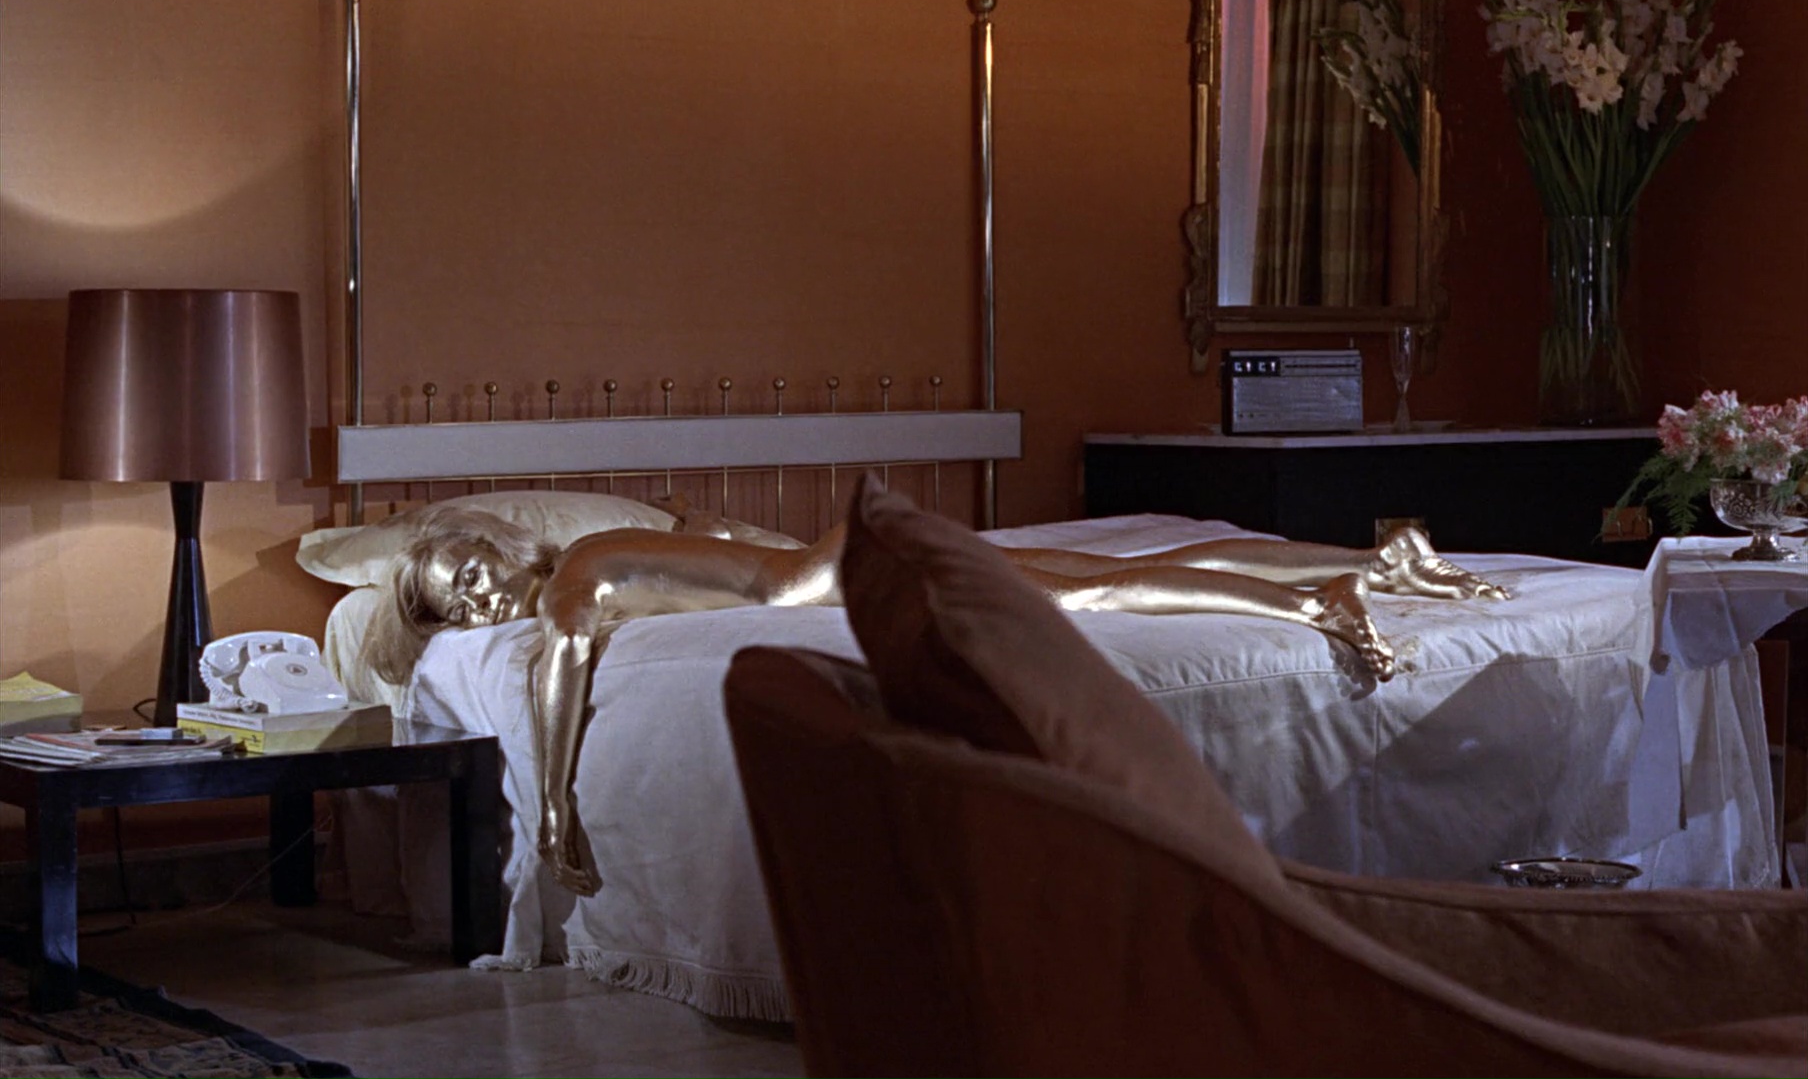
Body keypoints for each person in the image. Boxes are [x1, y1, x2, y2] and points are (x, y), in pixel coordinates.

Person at [367, 488, 1509, 895]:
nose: (477, 599)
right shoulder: (618, 545)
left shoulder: (575, 581)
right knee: (1098, 576)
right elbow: (724, 539)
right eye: (455, 603)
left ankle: (1314, 608)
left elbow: (564, 667)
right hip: (821, 561)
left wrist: (553, 814)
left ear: (498, 543)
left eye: (468, 569)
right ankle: (1360, 566)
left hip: (819, 578)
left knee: (1091, 598)